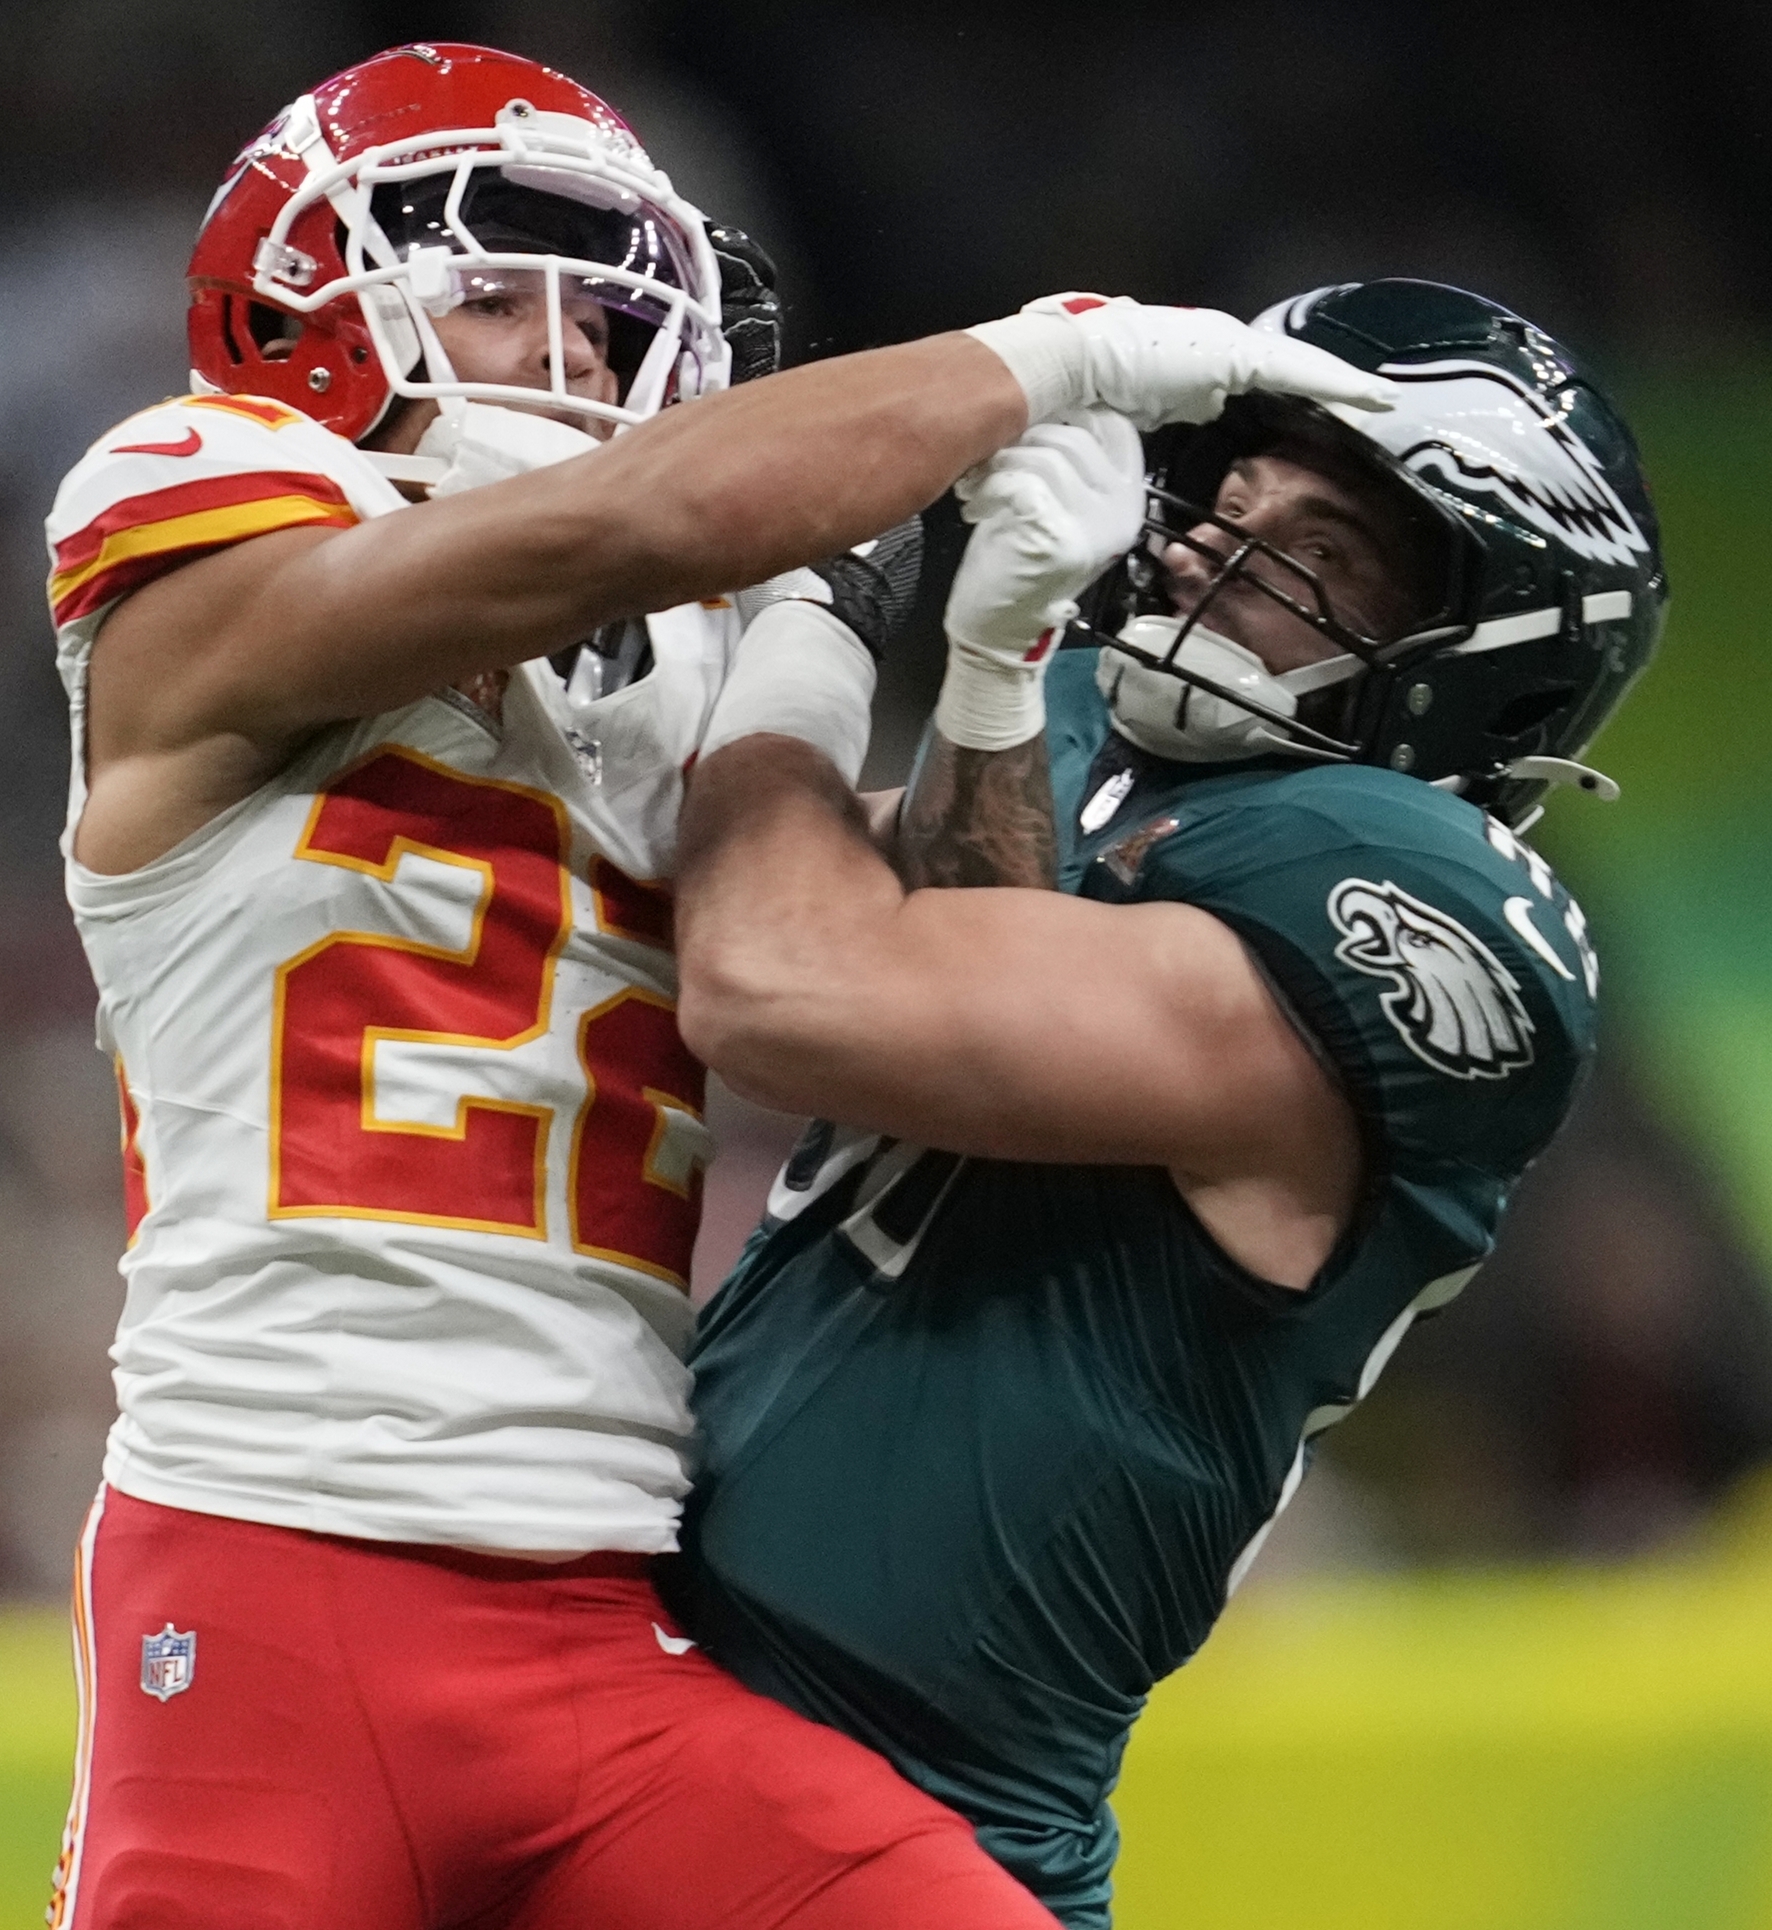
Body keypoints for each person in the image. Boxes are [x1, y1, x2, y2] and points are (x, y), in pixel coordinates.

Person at [37, 38, 1390, 1930]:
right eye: (496, 294)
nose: (569, 355)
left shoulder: (671, 660)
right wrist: (1040, 359)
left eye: (605, 323)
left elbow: (934, 964)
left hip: (603, 1624)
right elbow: (637, 520)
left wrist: (971, 660)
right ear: (301, 319)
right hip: (270, 1573)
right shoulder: (203, 511)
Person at [664, 278, 1663, 1928]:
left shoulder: (1415, 899)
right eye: (1230, 501)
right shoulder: (1082, 729)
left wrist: (812, 622)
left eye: (1319, 549)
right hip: (665, 1696)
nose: (1213, 550)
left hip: (919, 1806)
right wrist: (988, 679)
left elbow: (787, 986)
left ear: (1489, 664)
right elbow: (802, 900)